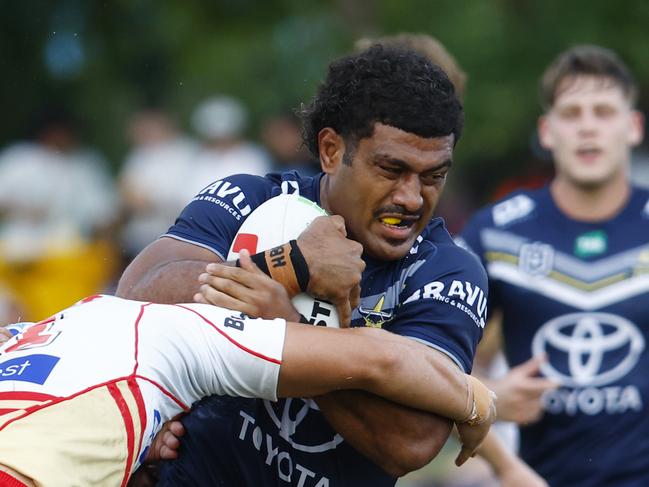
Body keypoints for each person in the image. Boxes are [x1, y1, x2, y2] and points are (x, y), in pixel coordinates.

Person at [118, 45, 488, 486]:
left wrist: (289, 331)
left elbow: (411, 443)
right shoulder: (250, 198)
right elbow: (135, 296)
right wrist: (292, 264)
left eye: (433, 176)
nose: (411, 199)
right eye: (391, 169)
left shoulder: (449, 272)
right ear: (331, 150)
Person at [0, 285, 495, 487]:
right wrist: (474, 401)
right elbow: (379, 358)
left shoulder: (24, 336)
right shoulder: (175, 332)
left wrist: (128, 445)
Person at [459, 44, 648, 486]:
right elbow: (431, 351)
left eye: (603, 112)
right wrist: (483, 398)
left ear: (633, 127)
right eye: (571, 113)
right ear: (547, 131)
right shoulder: (497, 231)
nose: (587, 128)